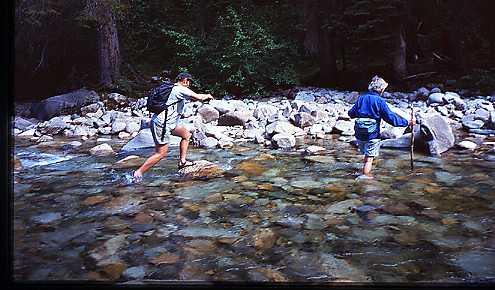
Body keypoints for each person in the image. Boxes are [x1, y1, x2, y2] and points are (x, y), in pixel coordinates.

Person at [133, 72, 214, 181]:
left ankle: (182, 162)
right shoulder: (180, 89)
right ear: (185, 80)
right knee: (161, 153)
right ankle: (138, 173)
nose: (189, 84)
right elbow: (199, 97)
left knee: (186, 134)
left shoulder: (174, 89)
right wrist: (208, 96)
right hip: (162, 124)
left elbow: (192, 98)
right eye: (189, 82)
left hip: (167, 123)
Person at [348, 76, 415, 178]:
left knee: (366, 156)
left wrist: (363, 112)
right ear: (381, 89)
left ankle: (364, 172)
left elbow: (351, 113)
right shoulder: (380, 101)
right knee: (369, 159)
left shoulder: (361, 98)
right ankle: (366, 179)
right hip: (372, 134)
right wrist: (407, 122)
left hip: (359, 133)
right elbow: (391, 118)